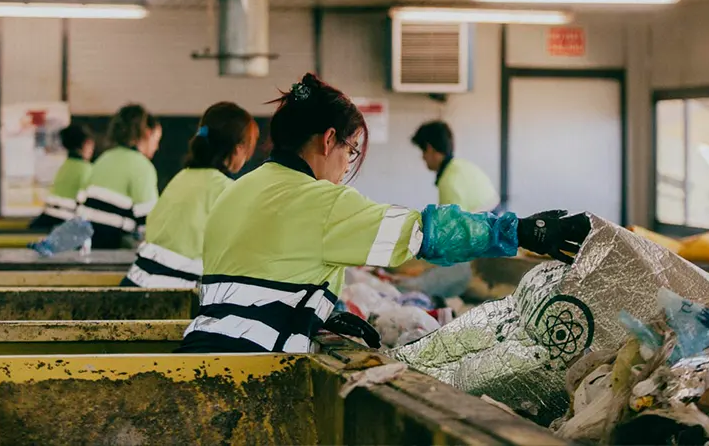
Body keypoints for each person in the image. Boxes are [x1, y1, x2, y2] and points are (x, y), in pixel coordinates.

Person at [178, 73, 590, 354]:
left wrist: (321, 315)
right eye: (350, 151)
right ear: (327, 141)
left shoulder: (236, 192)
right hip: (258, 367)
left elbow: (259, 281)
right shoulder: (323, 202)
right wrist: (519, 232)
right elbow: (426, 234)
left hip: (200, 356)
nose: (346, 165)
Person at [121, 102, 259, 288]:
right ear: (239, 149)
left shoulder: (182, 176)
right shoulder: (228, 190)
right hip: (171, 293)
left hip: (135, 282)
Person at [76, 104, 162, 249]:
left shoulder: (103, 159)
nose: (157, 147)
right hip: (115, 246)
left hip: (86, 245)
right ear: (147, 133)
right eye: (156, 139)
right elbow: (151, 224)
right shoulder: (142, 166)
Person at [411, 121, 499, 213]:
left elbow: (450, 225)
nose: (423, 157)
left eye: (423, 151)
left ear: (430, 149)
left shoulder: (449, 181)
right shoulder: (462, 166)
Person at [30, 122, 95, 229]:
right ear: (86, 144)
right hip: (63, 221)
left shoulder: (64, 166)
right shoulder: (86, 169)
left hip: (47, 218)